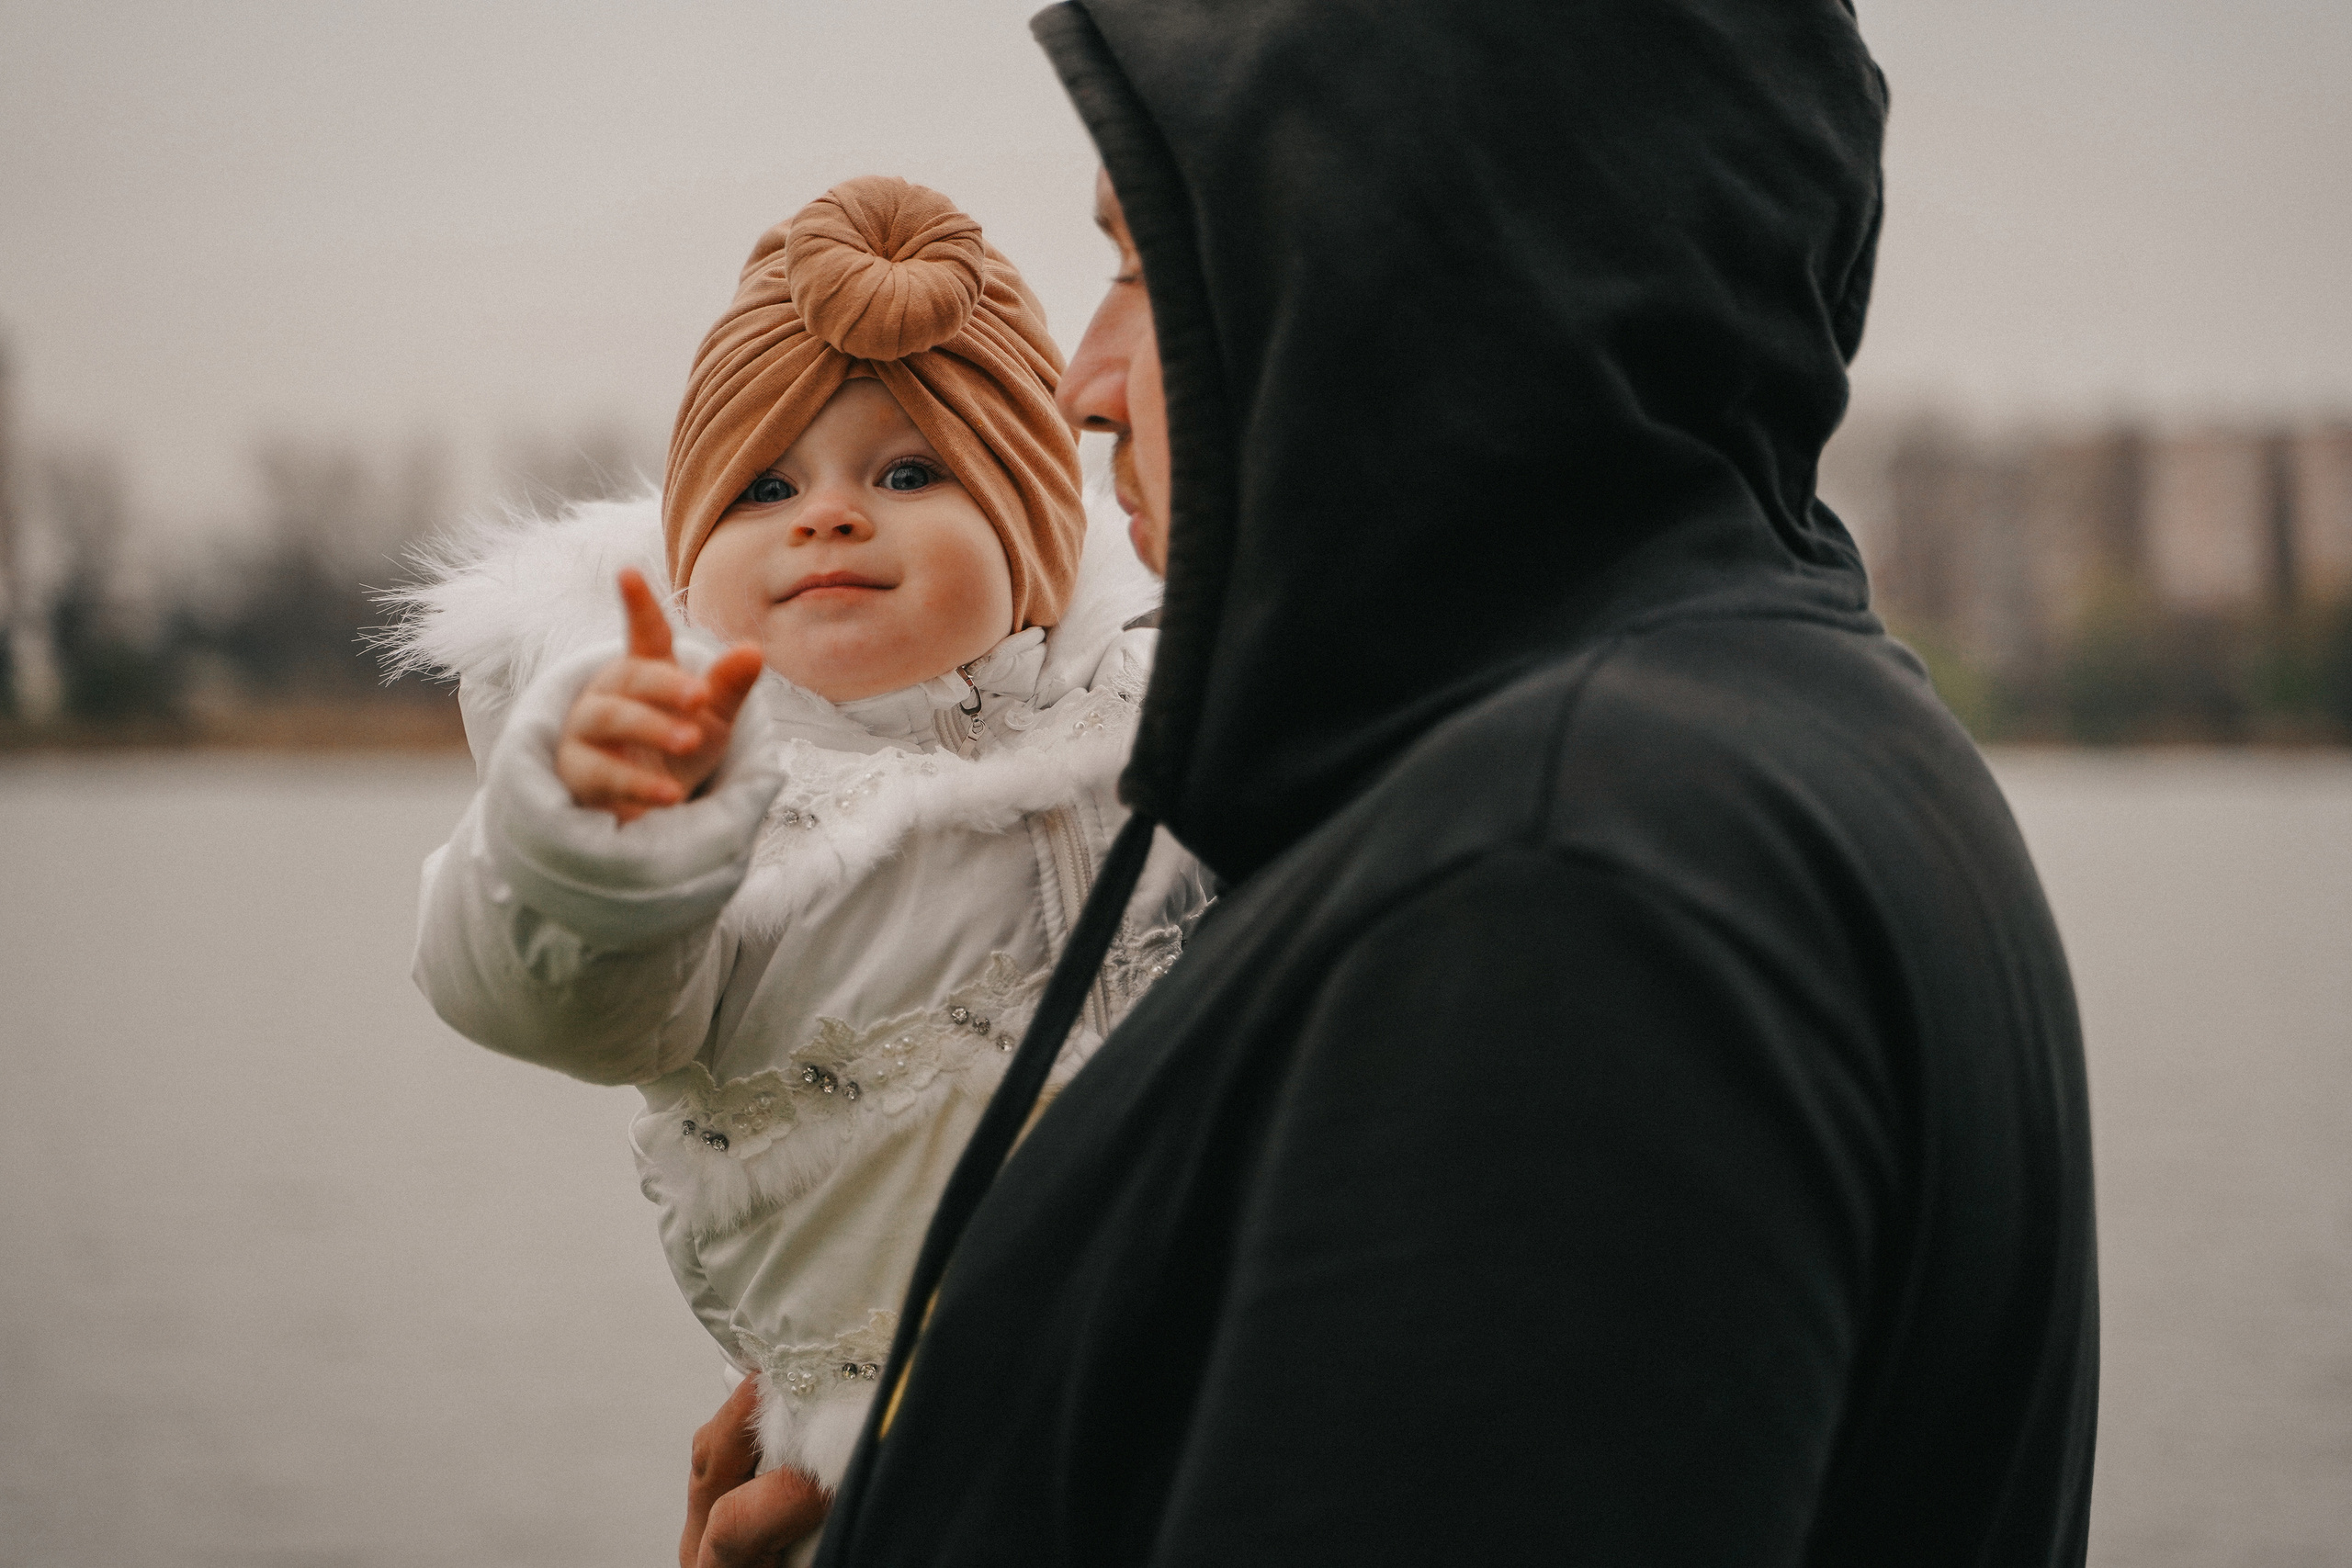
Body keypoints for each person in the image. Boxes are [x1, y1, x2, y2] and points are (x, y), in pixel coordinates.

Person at [661, 1, 2103, 1563]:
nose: (1084, 383)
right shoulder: (1775, 738)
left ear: (1392, 260)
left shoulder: (1564, 883)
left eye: (1147, 267)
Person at [390, 175, 1210, 1561]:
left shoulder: (1157, 710)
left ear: (1036, 537)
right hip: (874, 1458)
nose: (829, 517)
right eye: (767, 488)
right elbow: (540, 998)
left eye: (908, 473)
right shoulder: (718, 800)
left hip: (1181, 1390)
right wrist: (597, 836)